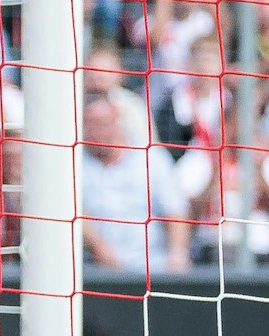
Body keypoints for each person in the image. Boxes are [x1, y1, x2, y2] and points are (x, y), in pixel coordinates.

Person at [80, 96, 192, 275]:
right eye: (90, 124)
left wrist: (177, 252)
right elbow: (74, 212)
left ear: (117, 119)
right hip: (95, 271)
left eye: (102, 123)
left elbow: (175, 209)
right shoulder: (75, 163)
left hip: (154, 267)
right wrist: (101, 251)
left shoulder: (151, 157)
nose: (96, 131)